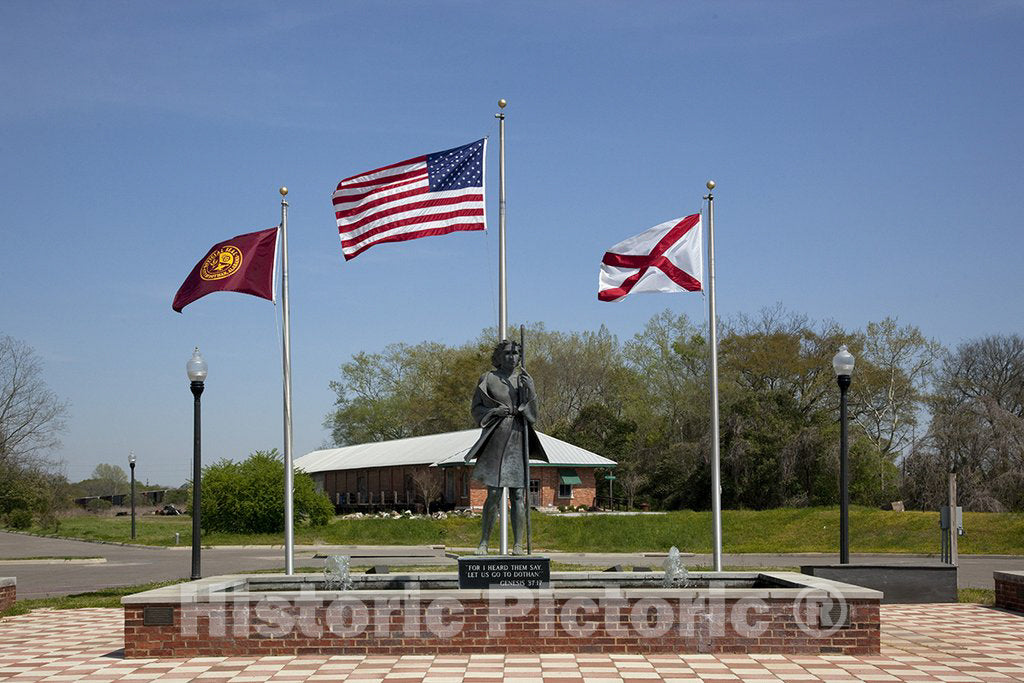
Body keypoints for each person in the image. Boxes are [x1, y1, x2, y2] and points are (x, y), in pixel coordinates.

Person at [464, 339, 548, 555]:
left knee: (518, 494)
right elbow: (476, 409)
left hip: (518, 437)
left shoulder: (523, 380)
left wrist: (531, 390)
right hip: (497, 436)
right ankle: (484, 542)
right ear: (500, 356)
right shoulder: (488, 379)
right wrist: (493, 413)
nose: (513, 357)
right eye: (509, 353)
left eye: (516, 353)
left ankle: (518, 544)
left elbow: (534, 416)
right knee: (493, 493)